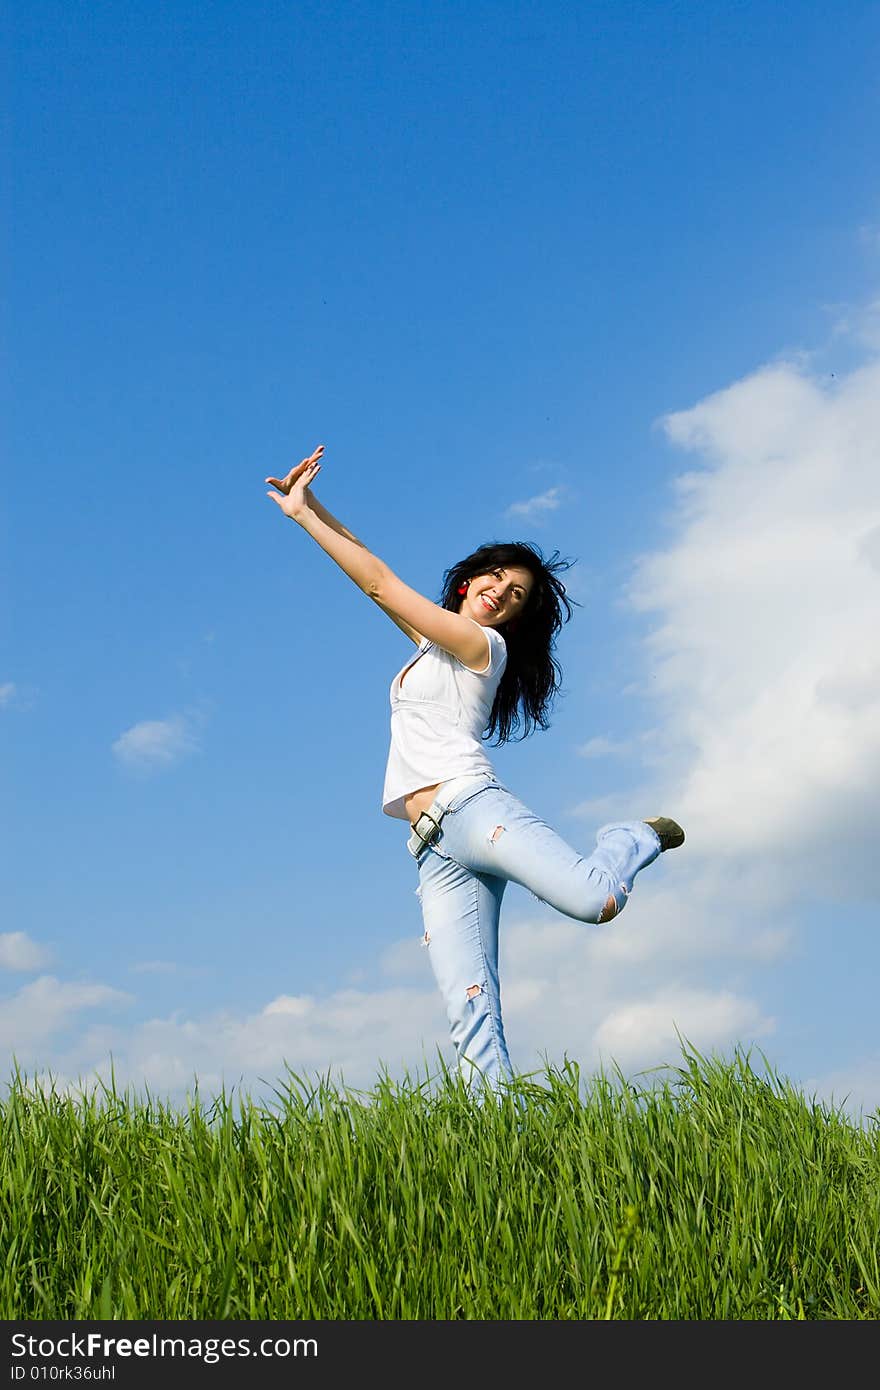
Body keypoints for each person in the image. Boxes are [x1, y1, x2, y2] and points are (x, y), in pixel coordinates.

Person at [266, 444, 684, 1096]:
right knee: (471, 1006)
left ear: (515, 617)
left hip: (473, 807)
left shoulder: (481, 647)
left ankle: (631, 838)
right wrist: (310, 505)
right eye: (495, 579)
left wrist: (301, 519)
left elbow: (380, 580)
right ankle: (501, 1143)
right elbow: (370, 578)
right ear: (469, 581)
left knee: (593, 899)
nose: (502, 592)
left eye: (516, 595)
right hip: (432, 846)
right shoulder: (433, 646)